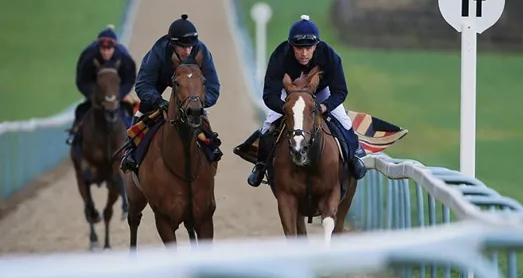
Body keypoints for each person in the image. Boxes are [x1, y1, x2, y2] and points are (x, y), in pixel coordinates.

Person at [235, 14, 367, 187]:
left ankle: (353, 157)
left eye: (309, 48)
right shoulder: (279, 56)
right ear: (291, 46)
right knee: (268, 124)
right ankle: (261, 166)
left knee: (344, 120)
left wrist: (326, 107)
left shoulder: (329, 55)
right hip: (289, 97)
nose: (304, 53)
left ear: (316, 46)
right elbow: (269, 94)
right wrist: (287, 108)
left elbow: (340, 90)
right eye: (299, 48)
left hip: (320, 94)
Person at [119, 14, 222, 173]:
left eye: (190, 47)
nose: (187, 51)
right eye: (182, 47)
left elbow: (213, 88)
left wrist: (196, 102)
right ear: (172, 44)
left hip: (190, 85)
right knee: (145, 106)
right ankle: (131, 150)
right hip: (161, 79)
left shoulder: (201, 52)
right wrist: (159, 102)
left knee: (196, 111)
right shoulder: (159, 51)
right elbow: (143, 84)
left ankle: (210, 146)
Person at [66, 25, 137, 145]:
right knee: (82, 110)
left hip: (116, 91)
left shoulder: (124, 58)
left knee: (128, 110)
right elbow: (82, 80)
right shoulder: (88, 56)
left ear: (114, 47)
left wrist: (118, 95)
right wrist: (94, 95)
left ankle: (132, 137)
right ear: (98, 47)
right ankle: (75, 133)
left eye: (109, 49)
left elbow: (129, 79)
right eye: (102, 49)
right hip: (96, 91)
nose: (105, 52)